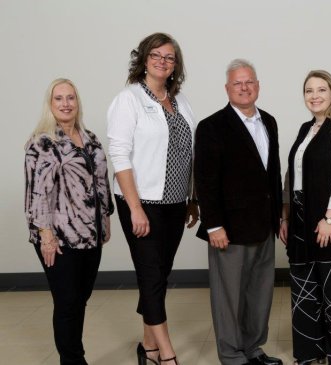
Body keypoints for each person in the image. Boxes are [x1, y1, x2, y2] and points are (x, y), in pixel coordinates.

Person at [107, 32, 198, 365]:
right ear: (144, 60)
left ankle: (147, 347)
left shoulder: (181, 100)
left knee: (159, 275)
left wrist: (192, 198)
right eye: (156, 55)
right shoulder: (128, 99)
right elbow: (119, 155)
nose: (163, 61)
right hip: (140, 202)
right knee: (150, 274)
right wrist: (134, 209)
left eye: (170, 57)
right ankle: (168, 354)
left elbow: (188, 151)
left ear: (176, 65)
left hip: (175, 203)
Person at [194, 59, 283, 365]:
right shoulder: (211, 127)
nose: (244, 88)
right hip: (229, 230)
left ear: (257, 86)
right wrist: (213, 225)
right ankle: (232, 356)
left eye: (249, 82)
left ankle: (253, 349)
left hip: (264, 225)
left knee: (259, 296)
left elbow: (273, 174)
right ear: (227, 88)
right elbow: (205, 181)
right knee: (228, 298)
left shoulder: (269, 121)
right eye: (237, 83)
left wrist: (279, 217)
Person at [24, 78, 114, 365]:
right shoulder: (42, 143)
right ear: (50, 105)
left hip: (91, 234)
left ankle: (73, 356)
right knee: (66, 303)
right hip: (59, 238)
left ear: (78, 102)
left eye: (71, 98)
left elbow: (101, 182)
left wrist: (105, 220)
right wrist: (45, 236)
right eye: (59, 98)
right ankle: (74, 360)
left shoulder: (90, 138)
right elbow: (37, 193)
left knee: (80, 300)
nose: (66, 104)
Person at [279, 70, 331, 365]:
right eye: (308, 91)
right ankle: (309, 353)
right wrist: (286, 216)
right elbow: (293, 177)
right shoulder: (306, 129)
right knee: (305, 293)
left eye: (321, 90)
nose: (314, 96)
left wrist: (329, 219)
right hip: (302, 219)